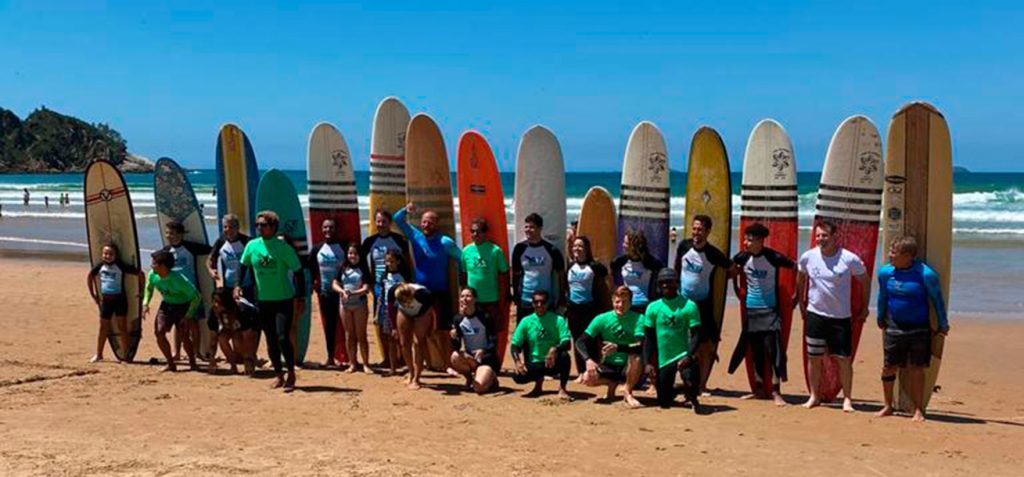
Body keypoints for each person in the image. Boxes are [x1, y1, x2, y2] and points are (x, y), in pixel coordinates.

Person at [795, 220, 870, 412]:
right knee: (814, 357)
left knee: (843, 359)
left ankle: (847, 399)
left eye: (825, 236)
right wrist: (802, 303)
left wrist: (864, 307)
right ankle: (814, 396)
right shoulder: (808, 257)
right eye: (818, 235)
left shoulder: (849, 259)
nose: (821, 239)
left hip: (840, 318)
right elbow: (801, 277)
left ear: (834, 236)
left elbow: (865, 280)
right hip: (815, 315)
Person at [875, 236, 949, 422]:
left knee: (917, 368)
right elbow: (882, 296)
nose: (890, 256)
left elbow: (937, 300)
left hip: (918, 327)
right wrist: (880, 316)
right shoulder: (885, 273)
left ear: (909, 256)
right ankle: (888, 406)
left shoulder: (925, 274)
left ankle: (918, 409)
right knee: (888, 367)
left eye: (895, 253)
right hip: (894, 325)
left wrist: (943, 323)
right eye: (891, 251)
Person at [236, 210, 306, 391]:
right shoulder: (252, 246)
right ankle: (279, 375)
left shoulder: (283, 248)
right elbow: (243, 266)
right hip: (263, 300)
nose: (260, 228)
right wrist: (238, 285)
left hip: (283, 299)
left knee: (283, 337)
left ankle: (291, 373)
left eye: (264, 225)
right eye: (258, 225)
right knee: (271, 340)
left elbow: (298, 272)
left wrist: (301, 296)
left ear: (273, 227)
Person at [727, 223, 795, 406]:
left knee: (773, 352)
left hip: (770, 311)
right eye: (745, 238)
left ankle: (776, 392)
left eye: (749, 239)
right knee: (755, 352)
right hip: (751, 310)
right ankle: (758, 390)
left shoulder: (773, 257)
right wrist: (735, 286)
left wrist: (795, 295)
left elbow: (796, 268)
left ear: (759, 241)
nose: (745, 242)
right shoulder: (742, 257)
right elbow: (731, 270)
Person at [393, 202, 461, 370]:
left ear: (436, 223)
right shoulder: (416, 236)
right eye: (424, 221)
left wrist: (464, 280)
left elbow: (462, 259)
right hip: (420, 293)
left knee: (444, 331)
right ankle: (427, 364)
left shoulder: (445, 242)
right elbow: (397, 219)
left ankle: (448, 365)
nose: (426, 224)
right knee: (420, 333)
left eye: (430, 221)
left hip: (440, 292)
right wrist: (406, 210)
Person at [674, 214, 734, 395]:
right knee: (683, 343)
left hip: (702, 304)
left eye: (700, 230)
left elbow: (731, 268)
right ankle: (687, 381)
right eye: (694, 229)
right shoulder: (684, 246)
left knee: (705, 347)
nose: (696, 233)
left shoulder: (713, 254)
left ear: (707, 232)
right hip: (683, 303)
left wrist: (724, 285)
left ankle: (702, 385)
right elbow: (677, 267)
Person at [640, 268, 706, 413]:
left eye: (669, 282)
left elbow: (696, 335)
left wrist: (688, 356)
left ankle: (693, 395)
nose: (665, 285)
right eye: (662, 282)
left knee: (689, 376)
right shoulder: (653, 307)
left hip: (683, 355)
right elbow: (649, 338)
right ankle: (677, 389)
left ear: (677, 283)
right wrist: (647, 363)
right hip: (665, 360)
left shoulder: (689, 306)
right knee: (664, 402)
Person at [577, 286, 644, 407]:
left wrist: (618, 348)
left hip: (628, 366)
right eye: (617, 301)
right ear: (612, 301)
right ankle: (612, 383)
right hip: (609, 364)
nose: (621, 305)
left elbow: (640, 345)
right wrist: (588, 360)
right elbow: (580, 341)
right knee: (587, 378)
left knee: (636, 357)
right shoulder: (601, 319)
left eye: (625, 302)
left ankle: (628, 392)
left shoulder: (639, 318)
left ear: (631, 303)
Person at [361, 209, 412, 368]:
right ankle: (388, 359)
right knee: (383, 324)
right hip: (379, 287)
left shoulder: (399, 240)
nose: (380, 225)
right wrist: (368, 282)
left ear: (389, 223)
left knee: (399, 323)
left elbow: (408, 262)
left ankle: (402, 357)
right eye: (378, 221)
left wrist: (408, 284)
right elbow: (363, 263)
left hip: (398, 287)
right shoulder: (370, 241)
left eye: (384, 221)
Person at [207, 214, 254, 375]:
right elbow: (210, 259)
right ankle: (234, 360)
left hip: (246, 288)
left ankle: (249, 358)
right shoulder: (221, 242)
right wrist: (211, 270)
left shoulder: (247, 242)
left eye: (231, 226)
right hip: (227, 290)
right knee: (228, 327)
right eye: (225, 227)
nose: (228, 230)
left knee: (247, 327)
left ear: (237, 227)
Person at [160, 221, 213, 365]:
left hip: (191, 291)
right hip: (175, 294)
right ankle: (177, 352)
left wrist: (213, 266)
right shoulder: (166, 251)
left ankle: (196, 353)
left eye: (171, 233)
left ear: (180, 234)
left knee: (194, 323)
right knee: (179, 324)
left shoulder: (190, 247)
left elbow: (210, 249)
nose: (168, 236)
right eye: (167, 233)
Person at [143, 250, 202, 372]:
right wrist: (145, 304)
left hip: (183, 307)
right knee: (159, 333)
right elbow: (148, 288)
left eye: (154, 263)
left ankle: (192, 362)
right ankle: (170, 363)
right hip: (166, 306)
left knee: (184, 336)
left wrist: (188, 315)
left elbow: (196, 296)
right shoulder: (153, 275)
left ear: (163, 266)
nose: (151, 266)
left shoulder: (179, 280)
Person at [86, 243, 144, 363]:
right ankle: (99, 354)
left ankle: (127, 355)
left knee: (122, 327)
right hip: (106, 301)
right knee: (103, 328)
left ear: (116, 255)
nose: (107, 256)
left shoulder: (120, 266)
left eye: (111, 254)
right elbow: (90, 277)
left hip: (120, 300)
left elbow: (140, 274)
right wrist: (93, 295)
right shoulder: (100, 267)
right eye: (105, 253)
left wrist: (141, 290)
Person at [510, 290, 572, 400]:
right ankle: (538, 385)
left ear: (547, 303)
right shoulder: (526, 321)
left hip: (552, 363)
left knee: (565, 357)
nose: (539, 305)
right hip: (535, 362)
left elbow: (567, 343)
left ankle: (562, 388)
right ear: (532, 303)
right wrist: (517, 361)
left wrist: (555, 349)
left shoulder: (558, 319)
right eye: (536, 302)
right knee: (517, 377)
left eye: (542, 302)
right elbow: (515, 344)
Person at [566, 236, 609, 376]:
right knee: (577, 340)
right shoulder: (571, 266)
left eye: (580, 246)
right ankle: (581, 372)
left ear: (587, 249)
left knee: (590, 339)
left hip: (590, 308)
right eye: (575, 246)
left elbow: (604, 282)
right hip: (573, 308)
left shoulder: (594, 267)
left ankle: (593, 369)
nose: (576, 249)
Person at [511, 213, 567, 323]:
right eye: (526, 227)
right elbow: (516, 274)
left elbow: (561, 274)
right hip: (526, 300)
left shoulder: (551, 250)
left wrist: (561, 297)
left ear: (540, 228)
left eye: (532, 227)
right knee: (525, 336)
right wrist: (516, 296)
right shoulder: (519, 248)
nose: (528, 230)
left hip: (546, 302)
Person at [460, 218, 510, 338]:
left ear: (485, 233)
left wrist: (507, 293)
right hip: (473, 301)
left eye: (479, 231)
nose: (475, 234)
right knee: (475, 334)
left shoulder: (495, 250)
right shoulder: (466, 251)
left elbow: (505, 273)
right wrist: (463, 296)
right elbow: (463, 274)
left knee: (492, 334)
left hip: (491, 299)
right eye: (472, 231)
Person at [309, 219, 347, 369]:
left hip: (344, 294)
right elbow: (311, 268)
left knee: (345, 326)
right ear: (321, 229)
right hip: (325, 294)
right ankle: (331, 357)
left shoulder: (344, 247)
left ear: (335, 229)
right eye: (325, 227)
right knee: (330, 326)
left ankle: (350, 358)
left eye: (331, 227)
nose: (328, 230)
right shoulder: (317, 248)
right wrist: (312, 286)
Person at [449, 287, 500, 394]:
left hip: (486, 360)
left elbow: (494, 341)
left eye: (468, 296)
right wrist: (454, 337)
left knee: (479, 389)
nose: (464, 299)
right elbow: (456, 346)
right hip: (471, 359)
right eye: (462, 296)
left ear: (475, 299)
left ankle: (492, 377)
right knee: (455, 357)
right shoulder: (458, 319)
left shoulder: (485, 317)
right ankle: (469, 379)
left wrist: (483, 350)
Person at [332, 243, 373, 374]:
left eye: (355, 253)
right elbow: (334, 283)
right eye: (350, 253)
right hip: (345, 305)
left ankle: (366, 364)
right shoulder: (342, 267)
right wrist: (342, 291)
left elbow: (366, 288)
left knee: (361, 335)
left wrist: (353, 293)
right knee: (350, 335)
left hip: (359, 305)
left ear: (359, 255)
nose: (352, 256)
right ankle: (353, 363)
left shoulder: (363, 269)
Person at [390, 282, 436, 390]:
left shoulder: (424, 294)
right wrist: (393, 327)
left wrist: (432, 327)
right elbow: (391, 309)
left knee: (419, 342)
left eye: (407, 301)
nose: (406, 303)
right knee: (404, 343)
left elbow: (432, 311)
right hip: (403, 312)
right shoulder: (393, 291)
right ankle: (411, 372)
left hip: (422, 312)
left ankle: (417, 377)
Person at [612, 230, 663, 314]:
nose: (623, 245)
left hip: (646, 305)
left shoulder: (652, 263)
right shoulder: (619, 262)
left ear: (634, 246)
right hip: (626, 305)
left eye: (626, 243)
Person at [376, 250, 409, 376]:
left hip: (400, 310)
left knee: (403, 339)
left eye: (391, 261)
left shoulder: (402, 276)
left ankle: (406, 364)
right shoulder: (384, 276)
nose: (389, 264)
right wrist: (377, 313)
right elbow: (381, 295)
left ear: (398, 262)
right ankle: (393, 367)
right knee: (390, 339)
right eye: (387, 261)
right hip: (386, 310)